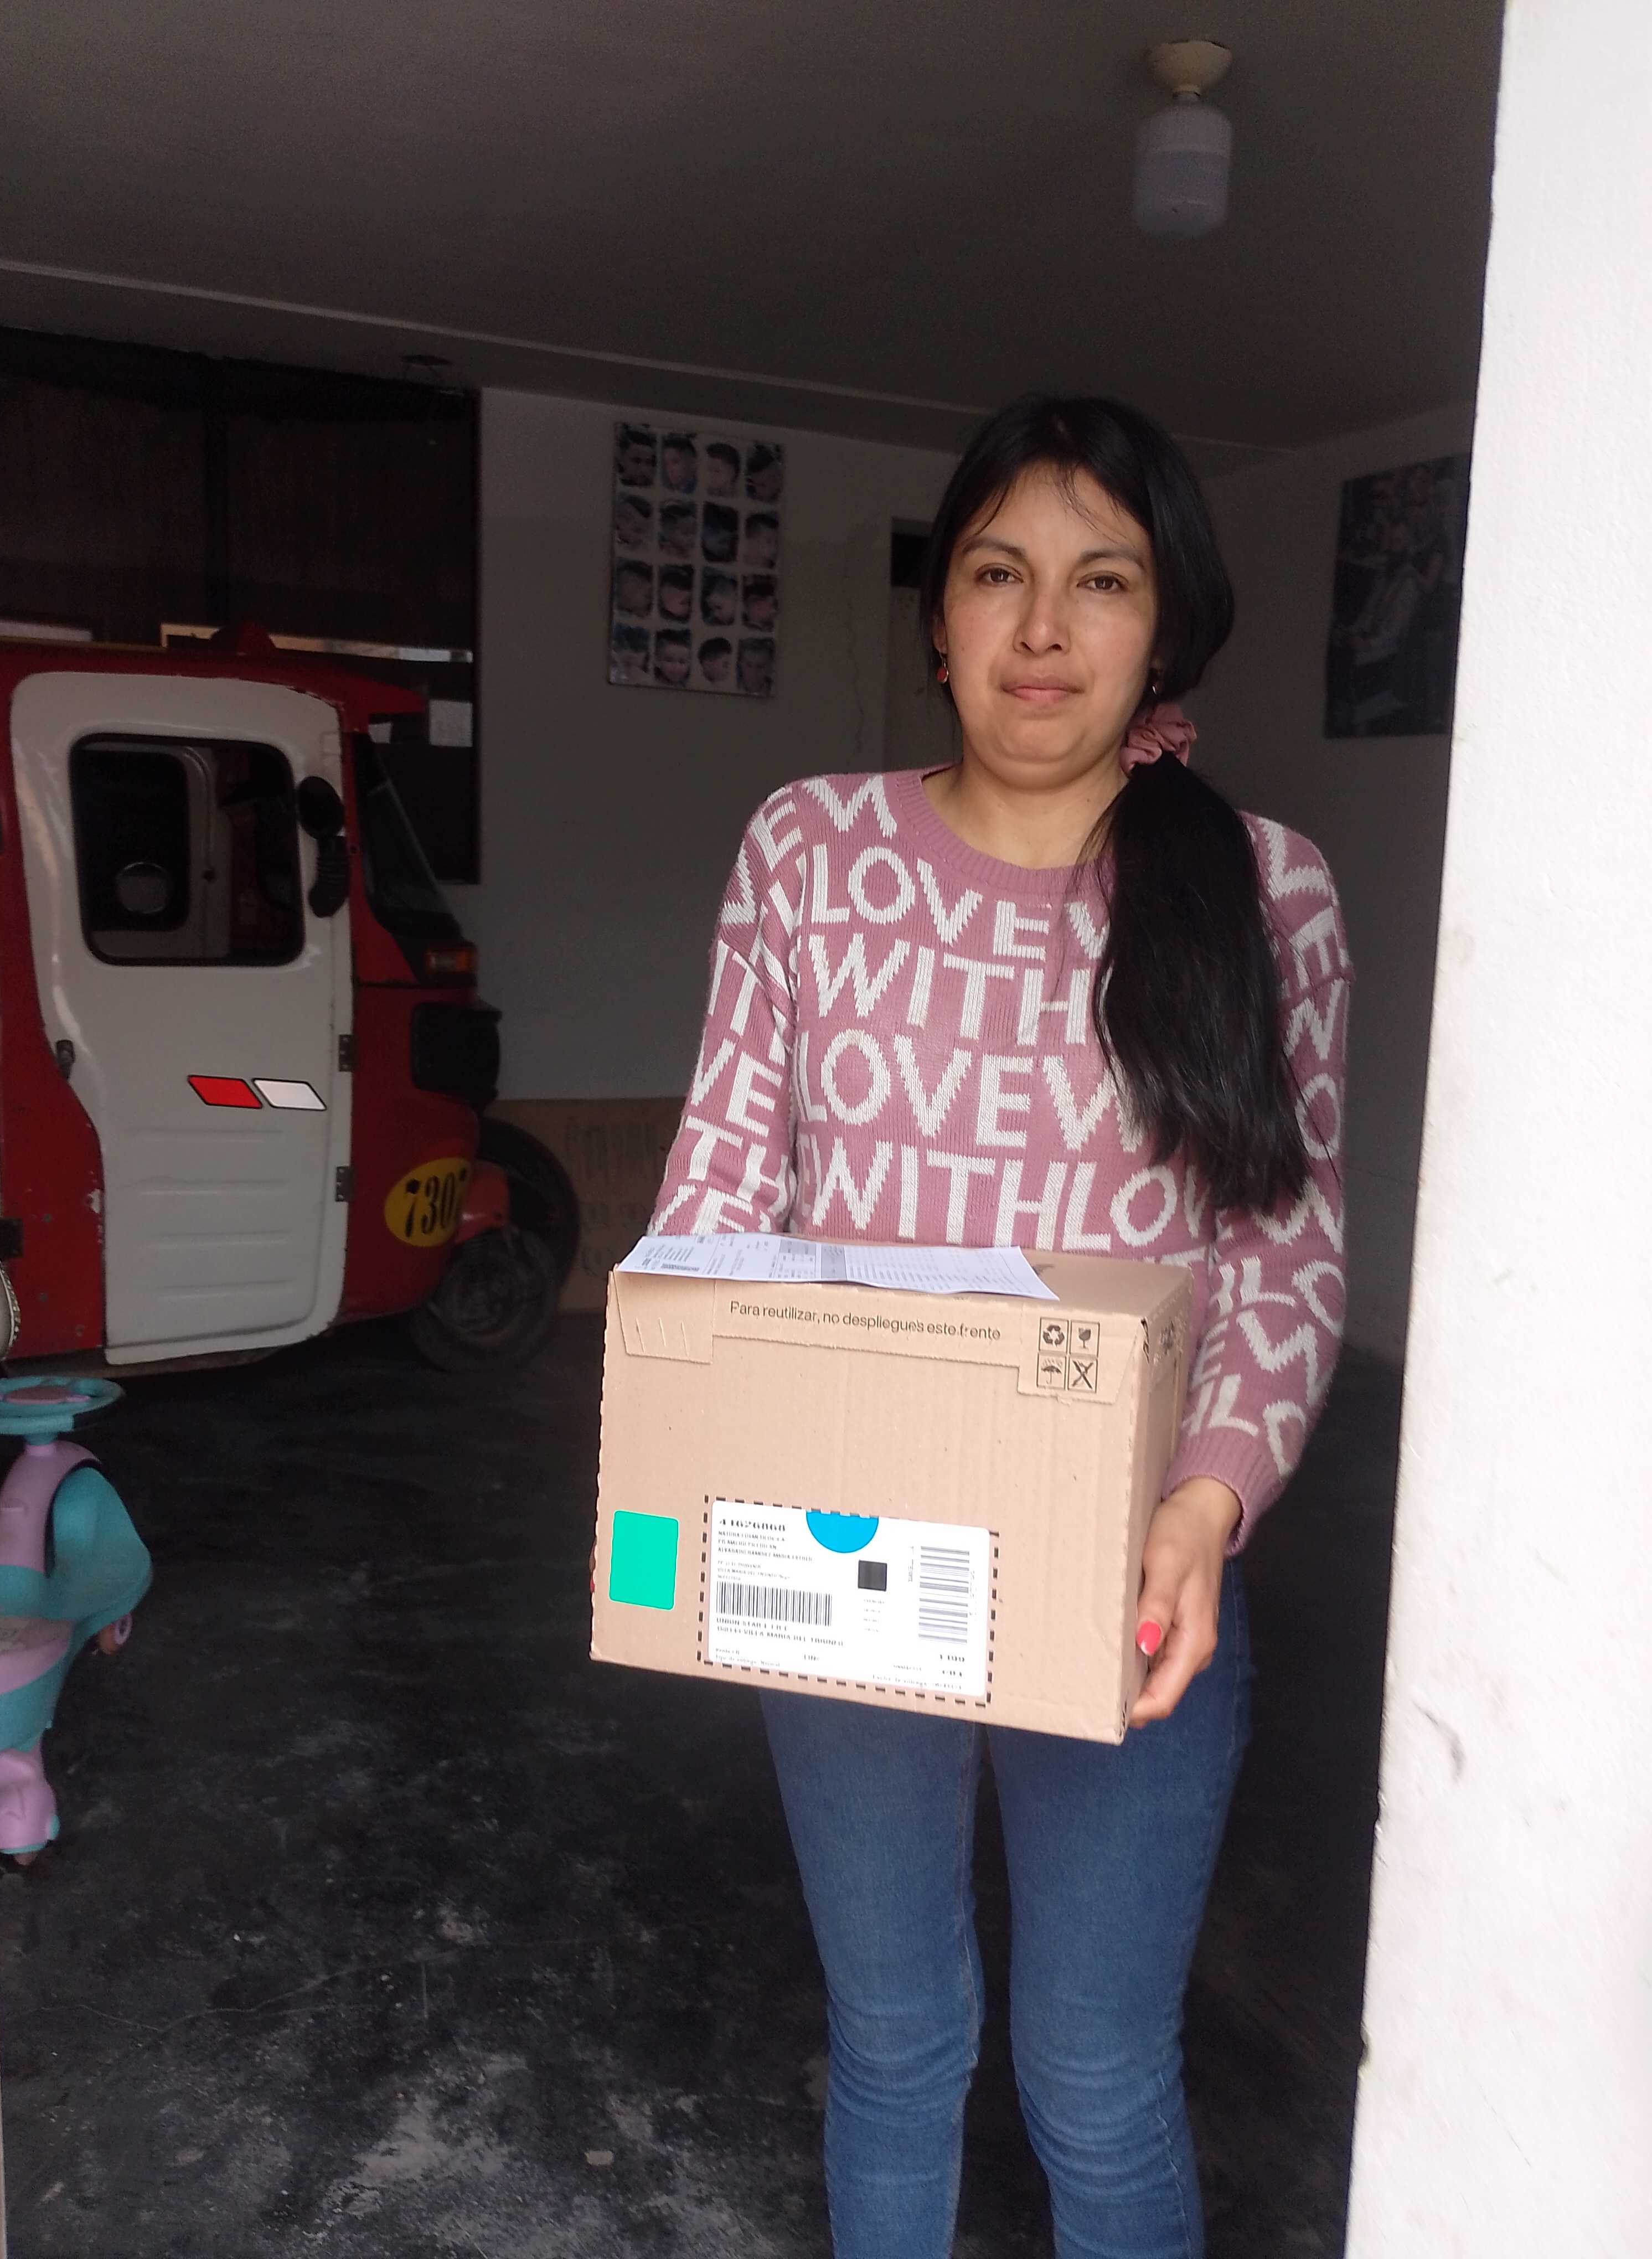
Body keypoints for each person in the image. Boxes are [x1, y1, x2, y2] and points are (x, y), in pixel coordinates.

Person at [648, 395, 1351, 2259]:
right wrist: (685, 1479)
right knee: (894, 2045)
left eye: (1101, 582)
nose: (1044, 630)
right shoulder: (810, 852)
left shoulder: (1264, 890)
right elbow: (716, 1198)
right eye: (997, 576)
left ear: (1165, 627)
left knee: (1096, 2076)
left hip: (1128, 1572)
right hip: (846, 1548)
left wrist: (1206, 1505)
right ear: (940, 619)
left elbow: (1283, 1253)